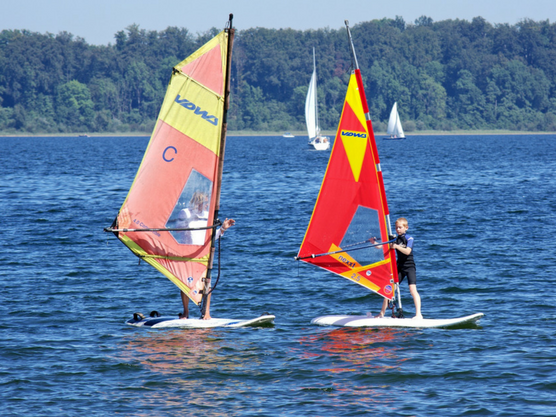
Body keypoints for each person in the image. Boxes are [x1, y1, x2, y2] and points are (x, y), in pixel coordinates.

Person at [179, 217, 235, 320]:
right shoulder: (186, 213)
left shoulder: (209, 216)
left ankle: (206, 313)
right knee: (184, 284)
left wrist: (222, 229)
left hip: (203, 256)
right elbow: (180, 231)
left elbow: (211, 238)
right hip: (187, 254)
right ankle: (186, 312)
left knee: (207, 283)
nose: (203, 205)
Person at [376, 217, 422, 319]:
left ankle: (419, 314)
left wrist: (396, 246)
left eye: (400, 227)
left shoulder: (409, 238)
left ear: (406, 228)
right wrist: (373, 242)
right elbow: (380, 246)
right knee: (389, 289)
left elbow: (408, 251)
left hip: (409, 267)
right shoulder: (394, 239)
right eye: (396, 228)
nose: (398, 230)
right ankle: (381, 313)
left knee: (412, 289)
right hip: (399, 267)